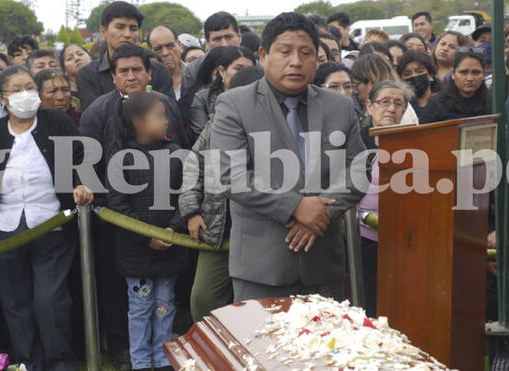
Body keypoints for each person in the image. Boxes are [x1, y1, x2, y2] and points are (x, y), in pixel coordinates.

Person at [210, 12, 368, 301]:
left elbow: (357, 170)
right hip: (261, 268)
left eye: (306, 53)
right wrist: (295, 206)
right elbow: (229, 176)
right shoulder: (234, 104)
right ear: (263, 55)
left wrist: (321, 214)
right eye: (285, 51)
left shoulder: (339, 107)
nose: (296, 61)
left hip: (323, 265)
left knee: (326, 344)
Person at [0, 65, 93, 371]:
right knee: (15, 303)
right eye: (17, 90)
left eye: (30, 88)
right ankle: (27, 363)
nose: (26, 95)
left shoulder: (57, 121)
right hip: (5, 229)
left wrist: (82, 183)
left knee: (50, 300)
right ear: (3, 99)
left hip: (51, 224)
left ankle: (60, 362)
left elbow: (82, 158)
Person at [106, 91, 186, 371]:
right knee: (140, 308)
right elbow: (117, 204)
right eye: (159, 116)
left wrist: (171, 229)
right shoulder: (121, 159)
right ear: (138, 122)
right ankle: (140, 361)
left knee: (165, 304)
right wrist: (147, 235)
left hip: (169, 245)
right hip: (136, 251)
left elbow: (185, 198)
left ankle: (163, 357)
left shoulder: (176, 154)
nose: (166, 122)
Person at [180, 65, 265, 322]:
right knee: (203, 300)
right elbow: (194, 164)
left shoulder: (276, 127)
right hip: (218, 229)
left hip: (263, 233)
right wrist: (191, 211)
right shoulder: (216, 123)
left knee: (254, 306)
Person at [356, 81, 411, 316]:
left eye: (398, 103)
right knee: (367, 301)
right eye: (384, 102)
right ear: (369, 106)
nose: (391, 108)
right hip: (362, 236)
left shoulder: (413, 143)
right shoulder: (356, 142)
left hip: (402, 238)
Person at [80, 45, 189, 151]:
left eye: (136, 70)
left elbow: (182, 148)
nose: (131, 77)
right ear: (113, 76)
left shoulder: (166, 104)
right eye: (123, 71)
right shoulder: (96, 112)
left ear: (149, 73)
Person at [76, 1, 175, 110]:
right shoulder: (88, 75)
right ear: (103, 31)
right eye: (120, 27)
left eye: (133, 29)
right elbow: (94, 119)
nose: (127, 34)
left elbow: (170, 114)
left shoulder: (158, 70)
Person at [189, 46, 256, 138]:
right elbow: (201, 136)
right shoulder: (203, 98)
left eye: (249, 70)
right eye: (238, 69)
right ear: (222, 71)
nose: (244, 74)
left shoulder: (261, 96)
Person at [419, 49, 490, 124]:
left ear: (484, 75)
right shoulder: (436, 104)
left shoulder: (491, 103)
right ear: (453, 74)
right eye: (463, 72)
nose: (470, 78)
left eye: (476, 73)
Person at [180, 12, 242, 94]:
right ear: (207, 42)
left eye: (229, 37)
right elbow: (188, 104)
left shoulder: (254, 65)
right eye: (217, 39)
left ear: (239, 36)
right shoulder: (193, 71)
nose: (224, 44)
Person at [350, 54, 418, 126]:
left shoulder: (402, 113)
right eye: (385, 102)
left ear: (372, 81)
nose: (355, 91)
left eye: (356, 84)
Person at [148, 25, 185, 100]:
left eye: (170, 46)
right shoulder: (146, 82)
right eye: (158, 49)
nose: (165, 53)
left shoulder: (195, 75)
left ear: (180, 45)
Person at [59, 44, 92, 113]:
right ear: (64, 69)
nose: (77, 58)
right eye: (69, 58)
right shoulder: (66, 94)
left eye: (80, 54)